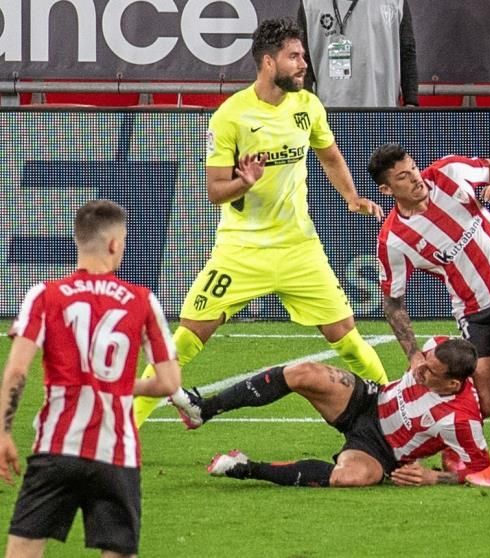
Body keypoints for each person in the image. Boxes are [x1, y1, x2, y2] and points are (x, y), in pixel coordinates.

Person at [133, 17, 388, 427]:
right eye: (294, 56)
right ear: (268, 62)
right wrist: (243, 181)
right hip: (241, 252)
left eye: (303, 55)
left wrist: (352, 198)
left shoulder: (308, 106)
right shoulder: (230, 117)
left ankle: (394, 413)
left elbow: (330, 155)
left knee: (348, 339)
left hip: (298, 249)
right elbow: (215, 191)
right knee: (185, 338)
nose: (303, 63)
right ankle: (125, 430)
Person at [0, 200, 181, 558]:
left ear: (77, 240)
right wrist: (117, 387)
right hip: (116, 456)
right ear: (115, 244)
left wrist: (3, 432)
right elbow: (169, 383)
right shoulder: (142, 301)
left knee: (22, 551)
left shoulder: (43, 295)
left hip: (56, 449)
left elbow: (17, 370)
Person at [368, 144, 490, 487]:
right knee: (486, 400)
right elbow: (393, 302)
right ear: (387, 190)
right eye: (403, 177)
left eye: (414, 168)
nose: (416, 178)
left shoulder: (448, 172)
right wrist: (414, 353)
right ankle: (444, 455)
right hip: (473, 309)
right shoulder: (393, 240)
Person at [171, 337, 490, 487]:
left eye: (430, 371)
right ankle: (203, 409)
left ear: (451, 383)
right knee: (303, 372)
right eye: (425, 359)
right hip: (369, 400)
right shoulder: (436, 346)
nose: (420, 370)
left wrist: (434, 476)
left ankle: (245, 467)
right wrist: (414, 351)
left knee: (348, 478)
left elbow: (479, 469)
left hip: (381, 451)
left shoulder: (460, 419)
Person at [298, 0, 418, 107]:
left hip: (382, 111)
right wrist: (307, 106)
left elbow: (407, 53)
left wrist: (411, 101)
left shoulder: (396, 2)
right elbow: (303, 58)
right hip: (327, 115)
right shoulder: (310, 4)